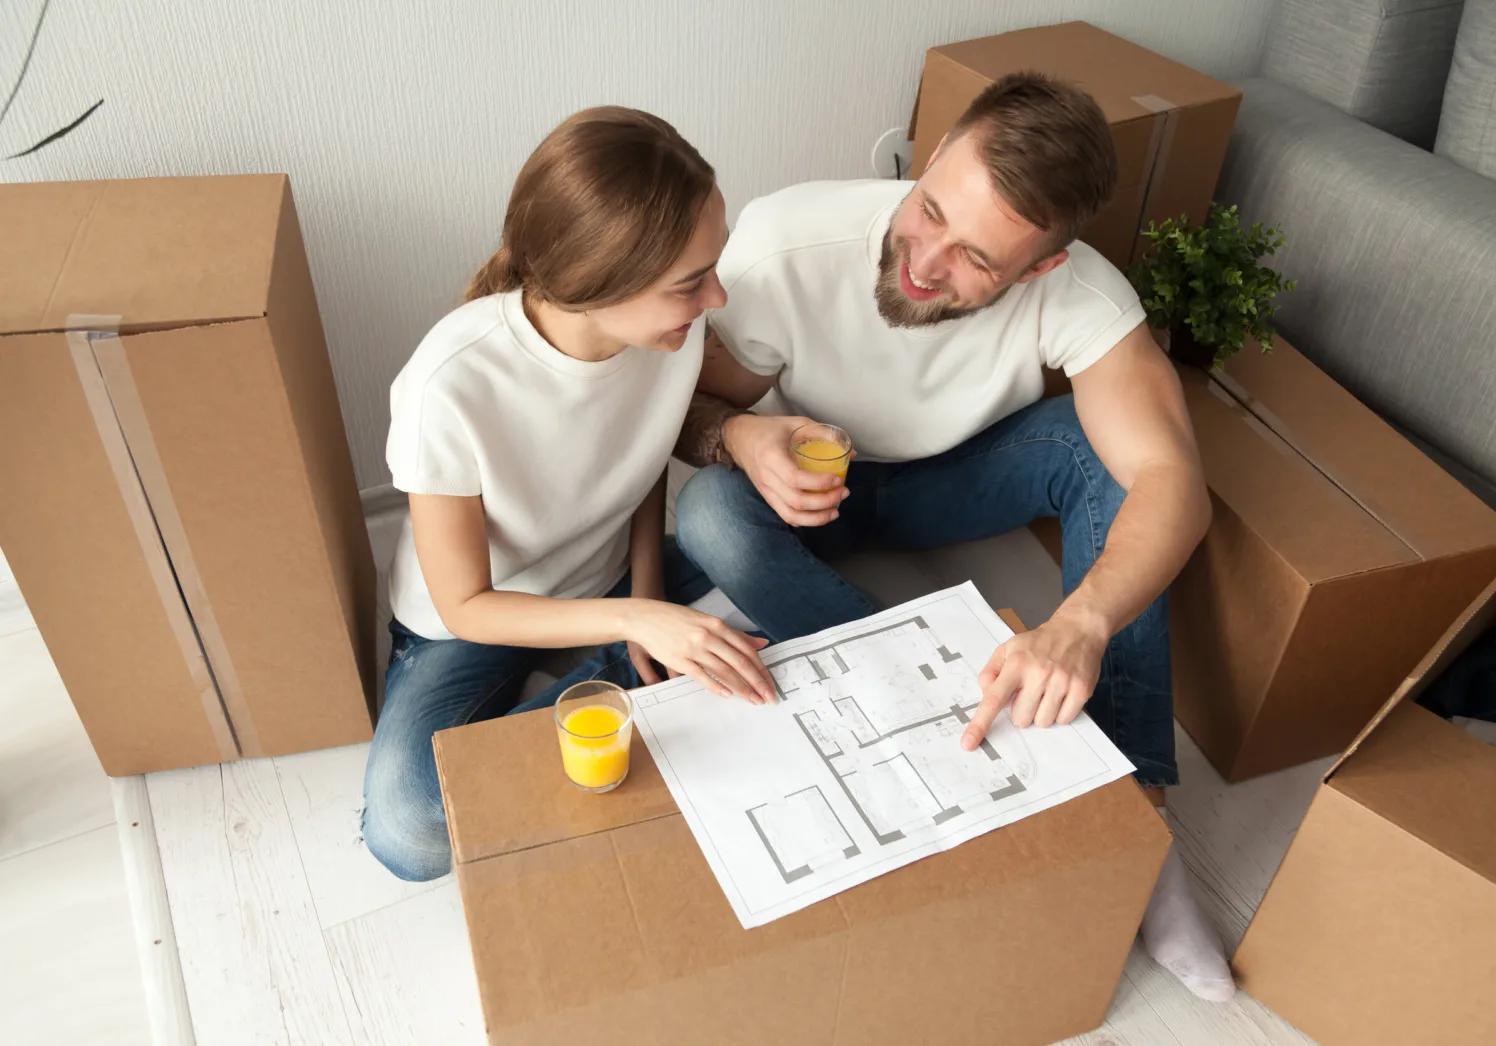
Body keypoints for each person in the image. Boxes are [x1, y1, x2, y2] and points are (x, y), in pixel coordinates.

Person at [672, 74, 1232, 1001]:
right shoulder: (786, 245)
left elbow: (1175, 484)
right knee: (707, 515)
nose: (926, 262)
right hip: (818, 481)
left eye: (976, 258)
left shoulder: (1082, 293)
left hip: (951, 477)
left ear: (1043, 267)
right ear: (930, 159)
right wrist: (735, 436)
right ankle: (920, 698)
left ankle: (1133, 803)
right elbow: (683, 405)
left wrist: (1083, 622)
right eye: (930, 210)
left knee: (1107, 463)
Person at [362, 107, 775, 884]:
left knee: (774, 543)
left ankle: (620, 666)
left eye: (713, 268)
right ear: (598, 285)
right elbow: (465, 607)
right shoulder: (450, 386)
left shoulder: (664, 336)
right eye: (692, 283)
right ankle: (611, 672)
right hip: (473, 622)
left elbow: (641, 462)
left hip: (611, 581)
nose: (717, 298)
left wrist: (648, 595)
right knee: (409, 828)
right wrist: (636, 620)